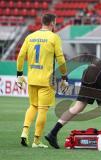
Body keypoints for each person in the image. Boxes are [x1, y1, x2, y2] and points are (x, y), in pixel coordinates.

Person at [16, 13, 68, 148]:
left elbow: (21, 56)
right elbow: (61, 59)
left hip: (32, 78)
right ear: (52, 23)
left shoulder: (30, 37)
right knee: (42, 110)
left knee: (33, 106)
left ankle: (24, 132)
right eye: (55, 22)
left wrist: (19, 74)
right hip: (46, 80)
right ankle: (36, 141)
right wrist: (64, 77)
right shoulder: (54, 38)